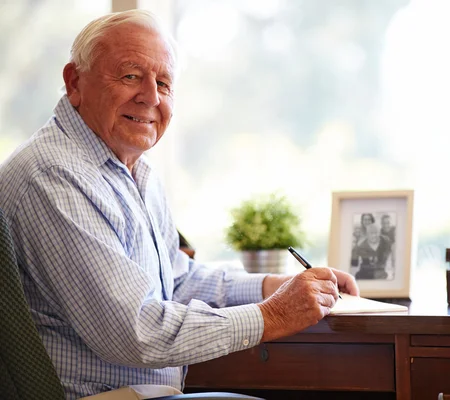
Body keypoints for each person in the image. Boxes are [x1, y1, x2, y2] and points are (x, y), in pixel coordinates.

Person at [0, 10, 358, 399]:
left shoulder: (134, 171)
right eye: (130, 76)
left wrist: (274, 285)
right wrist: (274, 314)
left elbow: (176, 279)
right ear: (74, 82)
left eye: (164, 83)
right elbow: (137, 331)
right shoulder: (54, 175)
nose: (151, 97)